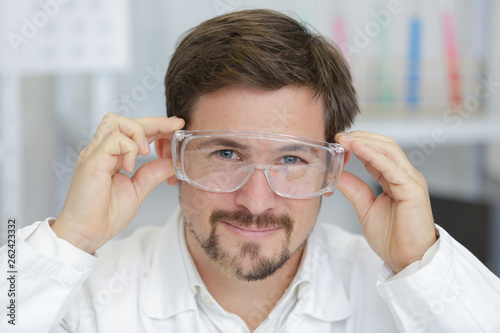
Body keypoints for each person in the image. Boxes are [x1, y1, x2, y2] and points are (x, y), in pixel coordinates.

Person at [1, 9, 499, 333]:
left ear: (332, 168)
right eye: (226, 154)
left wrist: (423, 263)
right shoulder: (87, 294)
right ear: (172, 154)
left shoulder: (399, 294)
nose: (257, 202)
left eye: (291, 159)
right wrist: (69, 240)